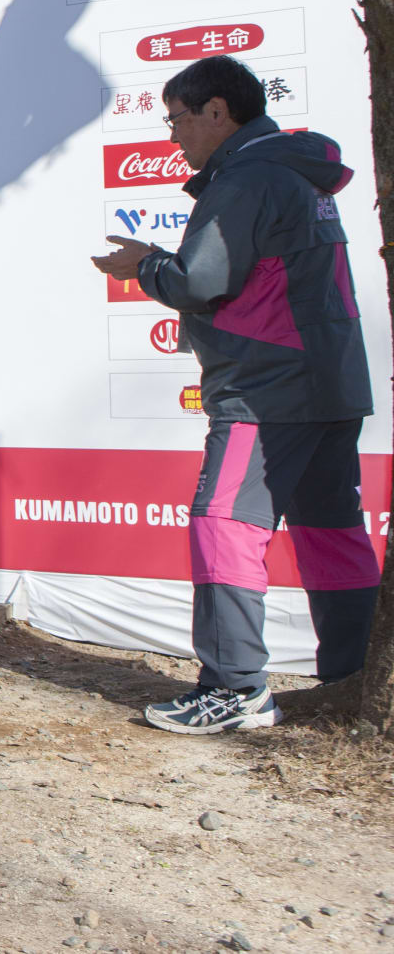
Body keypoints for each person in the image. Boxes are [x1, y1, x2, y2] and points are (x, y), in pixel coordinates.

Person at [91, 54, 377, 734]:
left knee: (224, 524)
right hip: (328, 384)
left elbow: (201, 281)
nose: (172, 135)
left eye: (179, 118)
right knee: (331, 534)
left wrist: (145, 266)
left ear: (220, 111)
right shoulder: (294, 173)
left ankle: (235, 687)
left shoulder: (246, 178)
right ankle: (356, 676)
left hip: (269, 388)